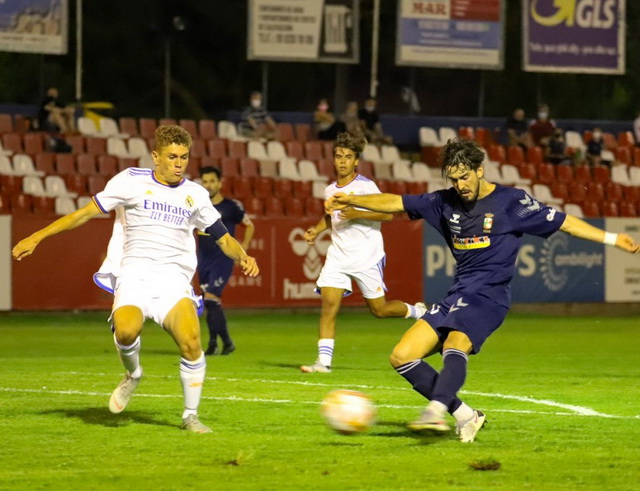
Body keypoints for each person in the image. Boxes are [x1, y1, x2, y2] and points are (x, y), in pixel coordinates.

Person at [326, 138, 640, 442]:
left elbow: (564, 222)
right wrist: (349, 199)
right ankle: (466, 415)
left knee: (455, 344)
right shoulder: (443, 202)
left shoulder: (511, 203)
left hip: (489, 296)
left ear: (479, 170)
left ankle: (435, 412)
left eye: (465, 177)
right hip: (457, 294)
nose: (460, 185)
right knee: (402, 356)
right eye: (454, 179)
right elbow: (395, 202)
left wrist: (613, 239)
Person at [12, 125, 259, 433]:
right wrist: (37, 236)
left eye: (184, 157)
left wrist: (243, 256)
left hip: (173, 280)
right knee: (126, 332)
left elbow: (223, 238)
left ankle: (190, 416)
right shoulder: (130, 181)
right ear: (156, 156)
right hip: (134, 275)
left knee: (192, 342)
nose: (179, 163)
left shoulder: (195, 194)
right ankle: (133, 374)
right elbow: (84, 213)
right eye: (172, 157)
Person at [300, 132, 427, 374]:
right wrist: (316, 230)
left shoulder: (366, 186)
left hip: (366, 256)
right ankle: (323, 363)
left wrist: (357, 212)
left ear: (356, 161)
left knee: (379, 310)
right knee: (328, 306)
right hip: (338, 256)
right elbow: (330, 216)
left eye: (348, 157)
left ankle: (417, 311)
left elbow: (387, 214)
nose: (343, 161)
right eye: (339, 156)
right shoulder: (330, 190)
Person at [198, 165, 255, 356]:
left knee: (211, 298)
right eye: (205, 181)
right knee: (210, 303)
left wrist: (243, 249)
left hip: (222, 260)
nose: (208, 185)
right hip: (203, 260)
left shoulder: (231, 207)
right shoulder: (199, 206)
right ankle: (221, 344)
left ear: (220, 183)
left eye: (212, 181)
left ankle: (219, 343)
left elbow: (249, 226)